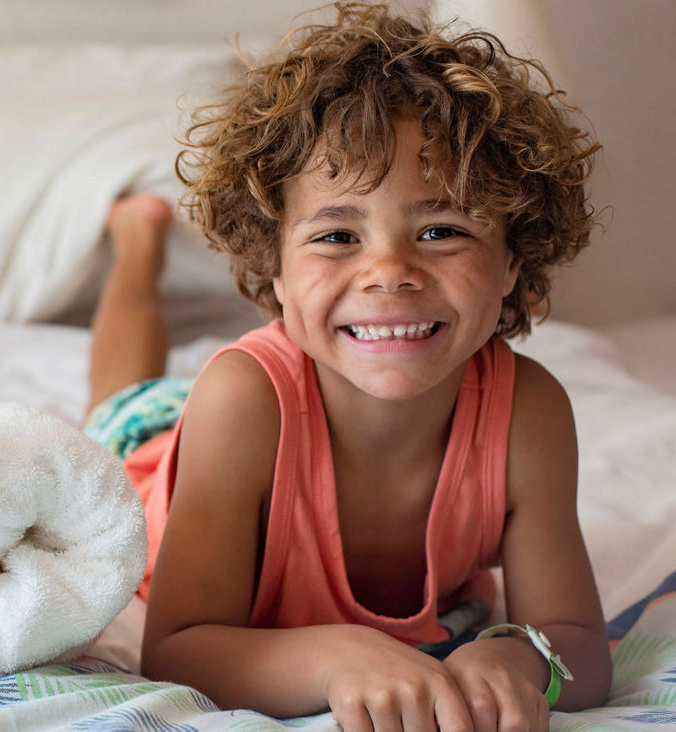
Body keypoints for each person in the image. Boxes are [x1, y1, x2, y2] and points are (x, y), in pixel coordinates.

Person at [82, 3, 611, 728]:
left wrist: (518, 656)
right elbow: (176, 650)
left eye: (441, 229)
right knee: (121, 402)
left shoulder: (530, 412)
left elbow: (576, 643)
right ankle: (137, 248)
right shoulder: (240, 402)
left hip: (260, 430)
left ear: (513, 257)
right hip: (165, 451)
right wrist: (338, 657)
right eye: (337, 235)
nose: (389, 272)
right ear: (274, 267)